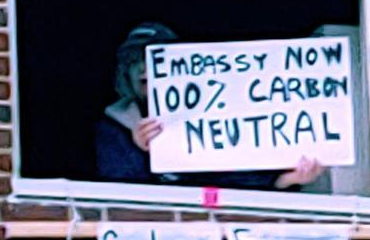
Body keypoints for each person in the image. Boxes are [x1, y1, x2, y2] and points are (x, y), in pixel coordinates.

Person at [95, 22, 327, 190]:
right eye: (133, 60)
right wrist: (138, 150)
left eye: (155, 58)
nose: (143, 68)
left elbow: (230, 181)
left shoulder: (209, 117)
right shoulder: (114, 125)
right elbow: (119, 198)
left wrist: (285, 181)